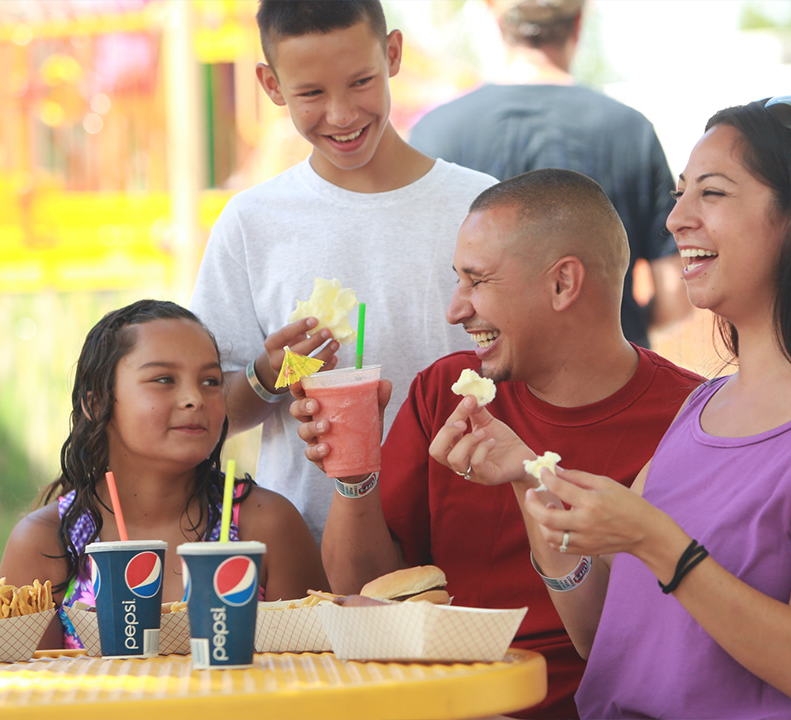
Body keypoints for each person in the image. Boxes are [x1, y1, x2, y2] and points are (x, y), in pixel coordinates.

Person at [452, 98, 791, 717]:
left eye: (713, 194)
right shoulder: (703, 405)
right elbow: (605, 636)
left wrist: (658, 541)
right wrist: (528, 480)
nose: (675, 219)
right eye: (679, 194)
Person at [291, 169, 705, 718]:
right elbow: (368, 586)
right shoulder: (445, 391)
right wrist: (354, 472)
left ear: (563, 284)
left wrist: (534, 478)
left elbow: (651, 640)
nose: (455, 309)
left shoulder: (693, 419)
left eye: (477, 281)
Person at [190, 0, 496, 543]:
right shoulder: (251, 222)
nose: (341, 114)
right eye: (311, 93)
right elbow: (214, 413)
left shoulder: (481, 206)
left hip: (471, 530)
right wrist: (269, 375)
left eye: (360, 82)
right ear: (272, 84)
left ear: (393, 54)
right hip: (310, 550)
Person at [0, 300, 327, 650]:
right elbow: (27, 693)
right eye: (163, 379)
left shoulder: (265, 526)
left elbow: (312, 676)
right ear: (95, 404)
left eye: (211, 381)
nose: (194, 398)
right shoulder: (45, 543)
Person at [408, 0, 690, 350]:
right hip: (608, 379)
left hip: (482, 384)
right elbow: (675, 293)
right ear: (578, 24)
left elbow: (418, 287)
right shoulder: (632, 129)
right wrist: (624, 326)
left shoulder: (436, 131)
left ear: (497, 22)